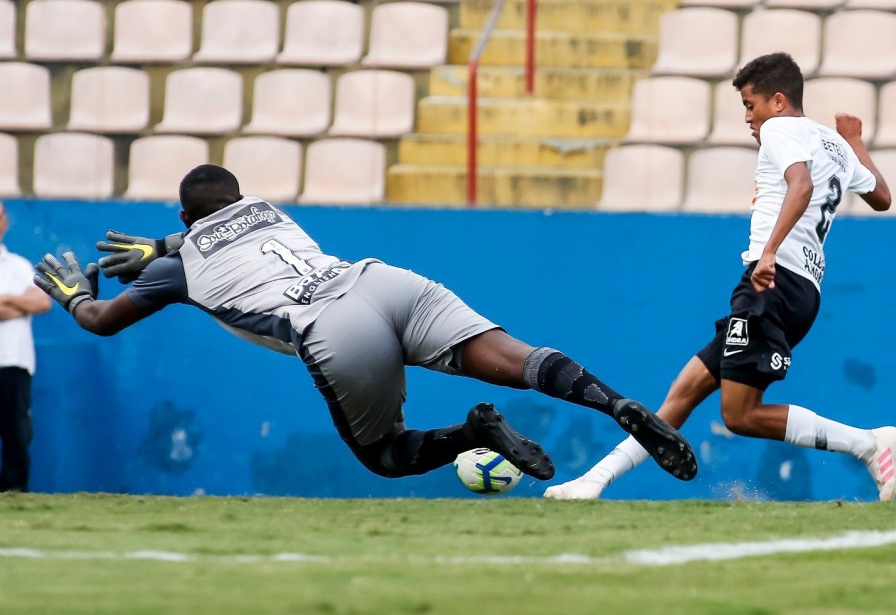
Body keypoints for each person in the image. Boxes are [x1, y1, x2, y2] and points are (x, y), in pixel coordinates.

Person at [32, 164, 698, 486]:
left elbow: (100, 322)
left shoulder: (175, 265)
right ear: (235, 197)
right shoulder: (266, 209)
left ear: (182, 219)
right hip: (382, 281)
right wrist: (162, 244)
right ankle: (615, 403)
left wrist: (70, 295)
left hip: (332, 325)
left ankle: (475, 431)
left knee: (386, 456)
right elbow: (206, 232)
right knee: (518, 357)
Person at [545, 52, 896, 502]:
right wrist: (853, 140)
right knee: (683, 392)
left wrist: (769, 252)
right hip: (798, 287)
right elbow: (882, 196)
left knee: (739, 416)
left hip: (770, 284)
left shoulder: (780, 129)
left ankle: (866, 443)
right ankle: (593, 481)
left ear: (776, 101)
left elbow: (802, 185)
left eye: (749, 106)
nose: (748, 119)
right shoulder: (831, 142)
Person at [0, 200, 52, 492]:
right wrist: (17, 303)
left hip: (14, 363)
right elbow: (27, 303)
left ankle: (14, 494)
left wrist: (6, 302)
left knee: (17, 435)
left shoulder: (18, 266)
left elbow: (42, 301)